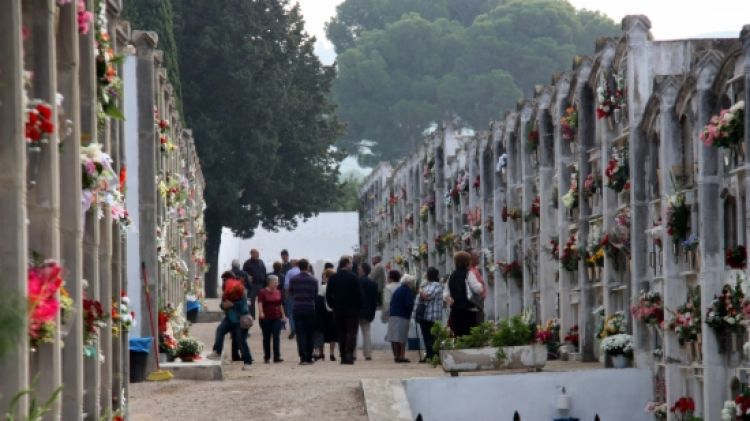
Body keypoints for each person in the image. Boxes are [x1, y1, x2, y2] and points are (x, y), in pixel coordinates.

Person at [209, 272, 253, 369]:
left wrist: (232, 304)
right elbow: (223, 303)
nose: (223, 282)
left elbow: (243, 304)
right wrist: (223, 306)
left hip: (240, 318)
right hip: (229, 317)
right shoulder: (226, 289)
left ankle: (248, 362)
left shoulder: (240, 289)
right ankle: (217, 351)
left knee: (241, 340)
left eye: (224, 279)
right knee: (220, 330)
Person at [326, 256, 362, 364]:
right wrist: (359, 307)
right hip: (352, 310)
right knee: (351, 332)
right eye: (350, 263)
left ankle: (342, 355)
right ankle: (349, 354)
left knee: (341, 332)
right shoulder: (354, 277)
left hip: (338, 310)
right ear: (346, 264)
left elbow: (328, 294)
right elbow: (359, 294)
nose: (352, 265)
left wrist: (332, 305)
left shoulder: (333, 278)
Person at [444, 251, 484, 337]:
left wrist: (451, 301)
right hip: (468, 311)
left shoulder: (451, 276)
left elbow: (446, 294)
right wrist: (481, 286)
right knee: (469, 337)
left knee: (457, 336)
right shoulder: (469, 274)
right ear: (466, 262)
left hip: (455, 312)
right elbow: (478, 289)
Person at [289, 259, 318, 364]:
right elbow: (315, 295)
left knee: (300, 334)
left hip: (298, 308)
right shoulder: (314, 280)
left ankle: (303, 357)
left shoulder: (293, 279)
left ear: (299, 267)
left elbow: (291, 293)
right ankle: (309, 357)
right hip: (310, 308)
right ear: (308, 266)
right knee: (310, 334)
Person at [414, 267, 443, 363]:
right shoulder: (428, 285)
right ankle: (429, 355)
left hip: (431, 316)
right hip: (426, 315)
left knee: (431, 337)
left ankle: (433, 356)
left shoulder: (435, 285)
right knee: (427, 336)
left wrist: (420, 291)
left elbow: (427, 296)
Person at [385, 274, 416, 363]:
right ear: (409, 283)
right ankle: (402, 356)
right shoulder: (407, 291)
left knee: (395, 338)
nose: (413, 285)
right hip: (402, 316)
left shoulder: (398, 290)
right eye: (412, 283)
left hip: (393, 315)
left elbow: (391, 302)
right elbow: (408, 304)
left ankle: (396, 355)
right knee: (402, 338)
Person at [257, 275, 286, 363]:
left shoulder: (278, 292)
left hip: (276, 317)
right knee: (267, 337)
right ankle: (267, 357)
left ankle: (277, 356)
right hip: (266, 318)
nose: (277, 284)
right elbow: (260, 303)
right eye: (275, 282)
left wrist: (283, 315)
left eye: (277, 282)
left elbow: (280, 304)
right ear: (269, 282)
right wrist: (261, 312)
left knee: (276, 337)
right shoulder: (262, 292)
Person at [357, 262, 378, 361]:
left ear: (363, 270)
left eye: (359, 268)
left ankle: (352, 354)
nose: (358, 269)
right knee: (367, 333)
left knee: (354, 333)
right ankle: (368, 354)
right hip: (368, 311)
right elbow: (374, 300)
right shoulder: (373, 283)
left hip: (356, 310)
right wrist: (373, 312)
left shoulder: (356, 281)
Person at [316, 268, 338, 361]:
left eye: (324, 276)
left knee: (322, 333)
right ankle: (332, 354)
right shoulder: (337, 287)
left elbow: (319, 300)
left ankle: (321, 353)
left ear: (327, 277)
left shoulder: (324, 287)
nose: (323, 277)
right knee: (333, 334)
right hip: (334, 312)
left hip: (324, 313)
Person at [242, 249, 267, 318]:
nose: (258, 255)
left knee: (262, 300)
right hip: (252, 285)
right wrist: (247, 278)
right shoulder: (247, 263)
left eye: (258, 253)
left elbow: (264, 271)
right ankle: (251, 315)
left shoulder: (261, 262)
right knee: (250, 301)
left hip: (261, 284)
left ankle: (262, 314)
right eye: (256, 253)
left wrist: (264, 282)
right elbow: (244, 274)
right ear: (251, 254)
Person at [469, 250, 488, 323]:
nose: (478, 256)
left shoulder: (474, 269)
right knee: (477, 323)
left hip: (478, 302)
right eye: (476, 255)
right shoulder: (470, 271)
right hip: (475, 302)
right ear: (470, 258)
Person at [284, 259, 301, 339]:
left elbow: (286, 284)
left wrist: (286, 294)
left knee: (291, 312)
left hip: (292, 294)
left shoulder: (290, 272)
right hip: (301, 295)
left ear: (292, 264)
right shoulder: (302, 271)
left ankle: (293, 328)